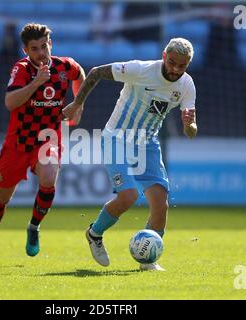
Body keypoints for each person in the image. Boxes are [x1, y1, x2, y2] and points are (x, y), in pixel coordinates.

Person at [63, 38, 197, 271]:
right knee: (128, 196)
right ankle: (95, 234)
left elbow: (191, 132)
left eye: (181, 66)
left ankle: (148, 260)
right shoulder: (141, 70)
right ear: (164, 56)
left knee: (160, 204)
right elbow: (95, 73)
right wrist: (77, 104)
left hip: (147, 144)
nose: (175, 69)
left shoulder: (186, 85)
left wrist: (189, 125)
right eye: (172, 63)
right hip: (116, 138)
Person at [0, 23, 85, 265]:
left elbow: (80, 75)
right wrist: (36, 83)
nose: (41, 53)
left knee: (49, 177)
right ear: (26, 50)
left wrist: (78, 103)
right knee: (2, 197)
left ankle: (34, 227)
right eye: (34, 48)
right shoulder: (22, 69)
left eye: (44, 46)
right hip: (18, 143)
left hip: (48, 139)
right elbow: (10, 102)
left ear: (50, 45)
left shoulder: (65, 66)